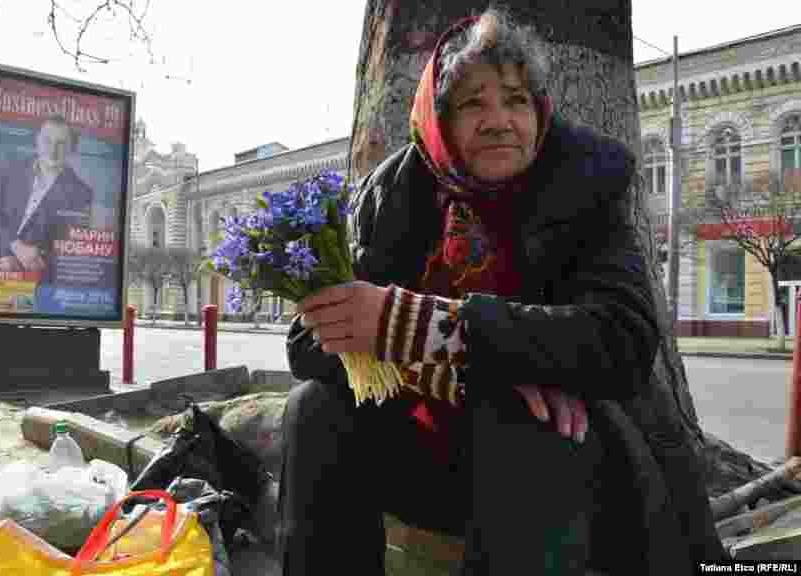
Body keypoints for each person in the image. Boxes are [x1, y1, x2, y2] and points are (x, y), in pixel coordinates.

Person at [279, 9, 727, 575]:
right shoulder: (391, 194)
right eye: (473, 103)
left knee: (525, 419)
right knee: (315, 409)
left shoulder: (586, 180)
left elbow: (624, 336)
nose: (499, 121)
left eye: (516, 100)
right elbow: (306, 342)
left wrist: (418, 326)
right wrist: (458, 359)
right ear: (438, 119)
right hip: (429, 451)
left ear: (539, 112)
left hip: (572, 462)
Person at [0, 114, 94, 277]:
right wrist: (15, 246)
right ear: (37, 140)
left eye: (61, 143)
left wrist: (21, 265)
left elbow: (73, 247)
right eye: (47, 141)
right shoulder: (9, 169)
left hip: (35, 280)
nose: (53, 150)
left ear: (71, 147)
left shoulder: (81, 193)